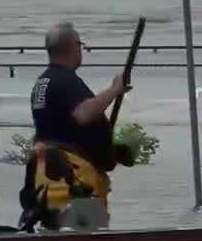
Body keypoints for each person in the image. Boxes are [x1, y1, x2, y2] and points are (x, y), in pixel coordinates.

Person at [18, 22, 134, 230]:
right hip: (73, 180)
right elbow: (83, 114)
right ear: (72, 46)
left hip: (53, 176)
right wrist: (114, 89)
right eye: (80, 44)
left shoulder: (44, 82)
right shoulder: (64, 80)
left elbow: (64, 130)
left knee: (59, 238)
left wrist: (111, 151)